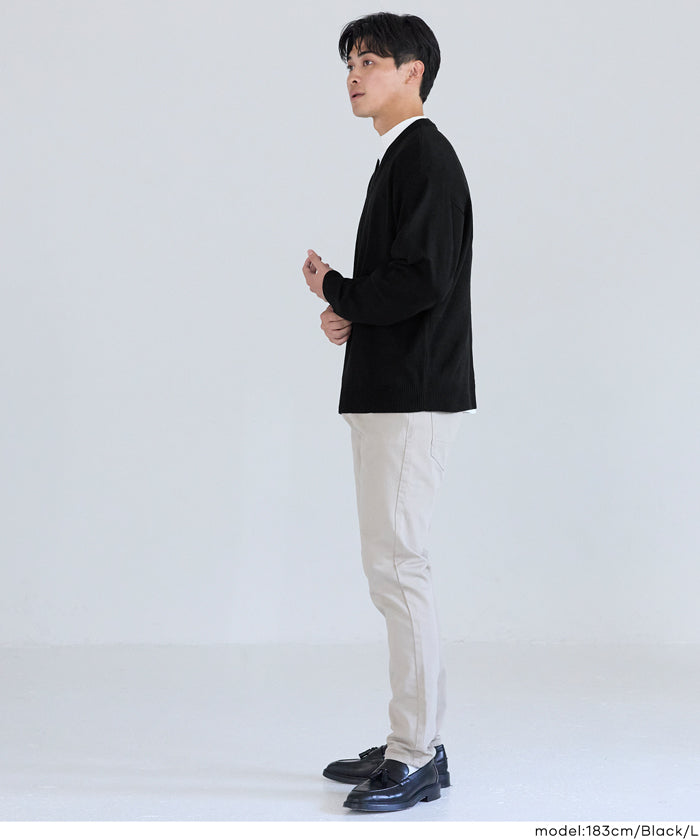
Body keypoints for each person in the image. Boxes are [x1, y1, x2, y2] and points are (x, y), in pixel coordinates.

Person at [302, 12, 476, 813]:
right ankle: (411, 735)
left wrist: (339, 288)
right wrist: (350, 311)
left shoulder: (425, 157)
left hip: (410, 396)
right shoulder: (401, 158)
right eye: (349, 61)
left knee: (400, 569)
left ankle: (417, 753)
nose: (353, 73)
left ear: (413, 71)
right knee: (392, 569)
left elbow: (423, 280)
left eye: (369, 60)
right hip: (392, 389)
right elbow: (405, 284)